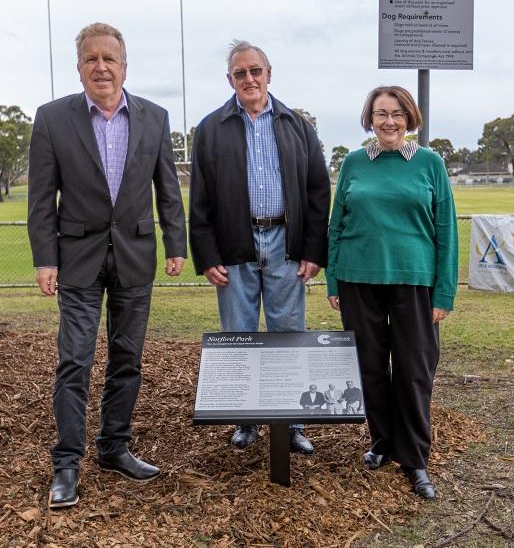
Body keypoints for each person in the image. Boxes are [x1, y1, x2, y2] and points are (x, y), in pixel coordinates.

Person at [27, 23, 187, 509]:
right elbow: (41, 198)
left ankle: (114, 447)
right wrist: (44, 257)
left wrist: (175, 243)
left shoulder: (155, 118)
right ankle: (67, 462)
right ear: (79, 68)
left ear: (123, 65)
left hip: (136, 256)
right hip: (76, 257)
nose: (101, 67)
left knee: (128, 359)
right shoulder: (53, 119)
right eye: (91, 59)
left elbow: (168, 189)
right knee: (75, 359)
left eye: (109, 59)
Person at [189, 40, 331, 455]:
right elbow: (200, 199)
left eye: (256, 70)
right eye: (240, 73)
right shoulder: (211, 129)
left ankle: (292, 422)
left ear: (269, 73)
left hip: (287, 243)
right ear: (229, 80)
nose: (249, 79)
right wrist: (208, 254)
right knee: (239, 335)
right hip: (236, 245)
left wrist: (312, 250)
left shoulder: (297, 125)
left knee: (289, 334)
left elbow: (317, 191)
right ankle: (246, 420)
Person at [326, 85, 458, 500]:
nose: (389, 121)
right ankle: (381, 441)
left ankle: (415, 458)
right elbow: (337, 224)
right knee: (369, 368)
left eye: (397, 113)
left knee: (414, 370)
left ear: (409, 118)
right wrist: (333, 281)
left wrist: (444, 293)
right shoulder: (353, 163)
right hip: (357, 278)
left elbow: (446, 231)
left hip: (414, 281)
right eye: (381, 113)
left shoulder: (429, 163)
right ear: (369, 118)